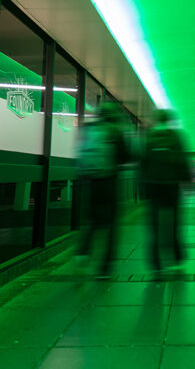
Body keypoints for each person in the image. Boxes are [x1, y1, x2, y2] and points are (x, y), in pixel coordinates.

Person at [77, 101, 128, 276]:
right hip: (108, 183)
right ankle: (105, 267)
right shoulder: (115, 131)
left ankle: (82, 253)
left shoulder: (88, 129)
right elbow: (125, 156)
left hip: (89, 182)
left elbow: (79, 153)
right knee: (111, 224)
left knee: (92, 220)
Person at [141, 109, 190, 271]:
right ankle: (176, 255)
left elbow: (142, 163)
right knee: (174, 220)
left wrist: (143, 185)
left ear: (156, 120)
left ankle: (155, 261)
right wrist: (188, 182)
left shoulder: (149, 137)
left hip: (153, 186)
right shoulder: (175, 136)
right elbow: (182, 160)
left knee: (154, 224)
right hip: (171, 185)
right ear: (168, 120)